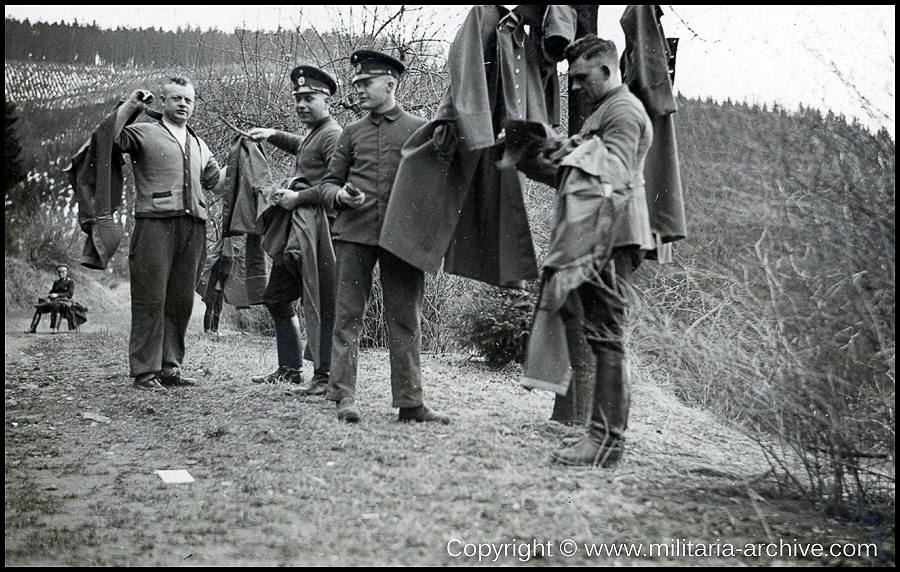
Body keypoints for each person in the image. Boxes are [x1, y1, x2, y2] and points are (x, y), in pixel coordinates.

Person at [523, 36, 655, 467]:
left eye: (581, 77)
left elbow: (609, 174)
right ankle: (601, 438)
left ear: (605, 69)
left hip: (610, 236)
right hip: (600, 235)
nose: (575, 86)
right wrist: (538, 155)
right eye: (571, 78)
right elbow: (581, 173)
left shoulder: (622, 110)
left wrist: (568, 151)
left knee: (608, 337)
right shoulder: (605, 111)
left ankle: (606, 442)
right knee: (602, 336)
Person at [319, 50, 449, 424]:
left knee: (406, 317)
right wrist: (339, 196)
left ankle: (411, 403)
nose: (357, 89)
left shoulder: (420, 129)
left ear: (390, 85)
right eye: (356, 83)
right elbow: (328, 184)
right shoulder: (350, 133)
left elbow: (439, 181)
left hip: (402, 240)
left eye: (365, 83)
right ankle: (344, 397)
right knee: (347, 317)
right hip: (354, 235)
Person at [109, 77, 224, 391]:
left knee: (180, 301)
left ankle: (170, 369)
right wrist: (131, 106)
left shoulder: (199, 144)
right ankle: (145, 372)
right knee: (150, 298)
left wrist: (247, 154)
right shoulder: (144, 132)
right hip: (155, 224)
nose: (183, 104)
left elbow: (219, 182)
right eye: (176, 98)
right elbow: (109, 139)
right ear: (162, 101)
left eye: (188, 100)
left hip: (194, 228)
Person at [244, 65, 343, 395]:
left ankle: (325, 375)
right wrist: (271, 134)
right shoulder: (316, 133)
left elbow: (336, 184)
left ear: (326, 100)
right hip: (297, 232)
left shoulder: (333, 134)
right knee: (277, 297)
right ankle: (290, 368)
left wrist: (297, 196)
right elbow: (304, 146)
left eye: (309, 98)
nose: (301, 104)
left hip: (320, 235)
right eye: (297, 98)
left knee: (321, 300)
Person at [27, 264, 83, 333]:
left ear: (67, 272)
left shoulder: (70, 282)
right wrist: (48, 296)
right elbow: (52, 291)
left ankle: (55, 328)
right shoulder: (56, 282)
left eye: (62, 272)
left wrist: (57, 295)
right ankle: (33, 328)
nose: (60, 274)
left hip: (65, 302)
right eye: (59, 272)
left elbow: (70, 294)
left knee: (57, 307)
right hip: (54, 301)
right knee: (39, 308)